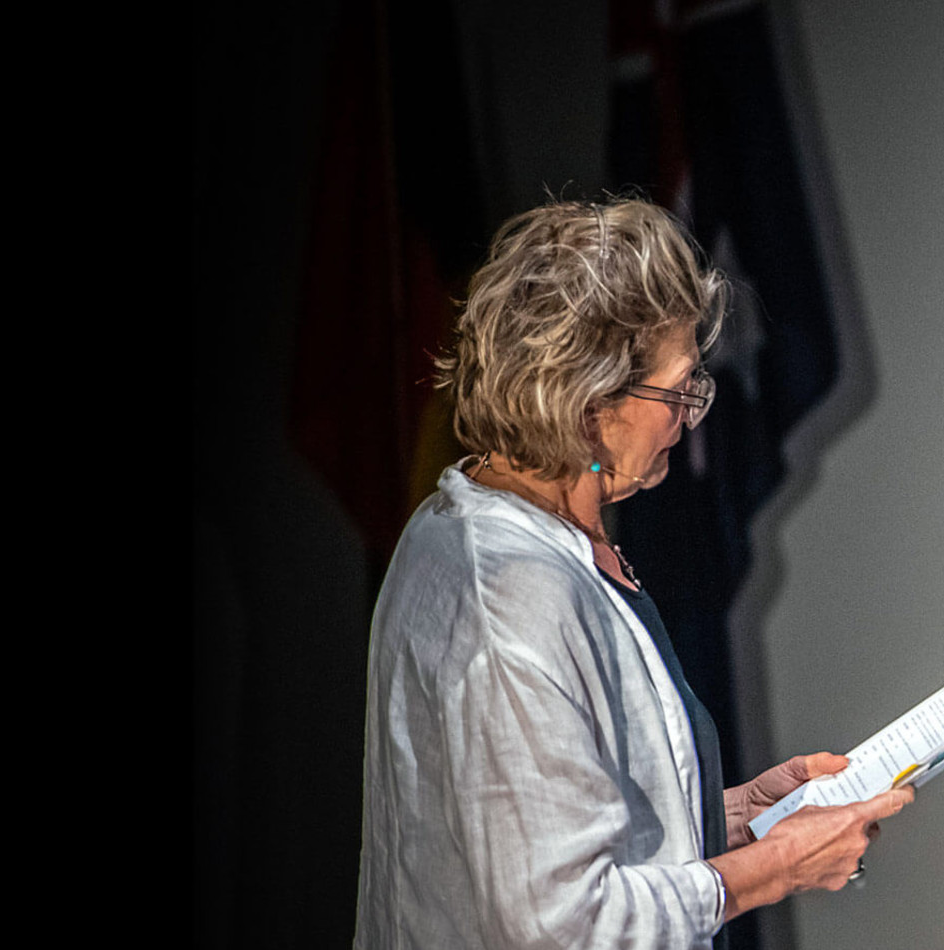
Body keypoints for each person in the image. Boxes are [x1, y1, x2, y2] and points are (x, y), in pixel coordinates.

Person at [356, 199, 912, 950]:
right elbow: (557, 922)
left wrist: (740, 815)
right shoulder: (507, 594)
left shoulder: (500, 529)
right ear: (586, 398)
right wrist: (776, 868)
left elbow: (545, 830)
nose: (689, 415)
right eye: (677, 388)